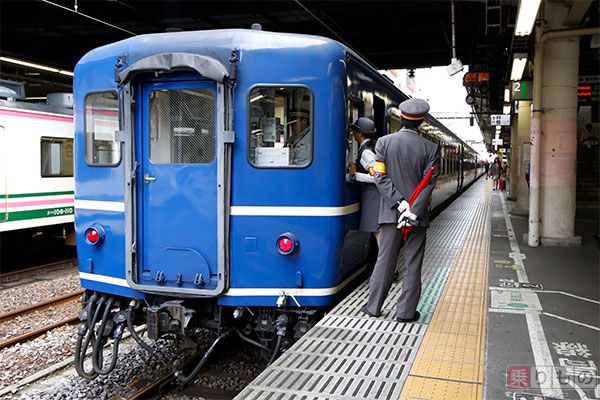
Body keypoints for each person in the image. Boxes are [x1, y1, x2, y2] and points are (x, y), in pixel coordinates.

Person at [359, 98, 439, 323]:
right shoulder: (431, 148)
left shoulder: (383, 143)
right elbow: (429, 183)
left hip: (390, 214)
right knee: (413, 262)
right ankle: (405, 313)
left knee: (385, 259)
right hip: (417, 217)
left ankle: (373, 307)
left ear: (401, 118)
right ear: (421, 122)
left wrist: (398, 202)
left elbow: (380, 177)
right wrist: (413, 210)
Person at [348, 117, 381, 244]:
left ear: (360, 133)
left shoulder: (366, 152)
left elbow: (377, 177)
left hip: (373, 197)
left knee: (378, 234)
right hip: (372, 197)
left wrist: (356, 175)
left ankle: (384, 261)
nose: (353, 134)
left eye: (355, 131)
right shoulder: (370, 147)